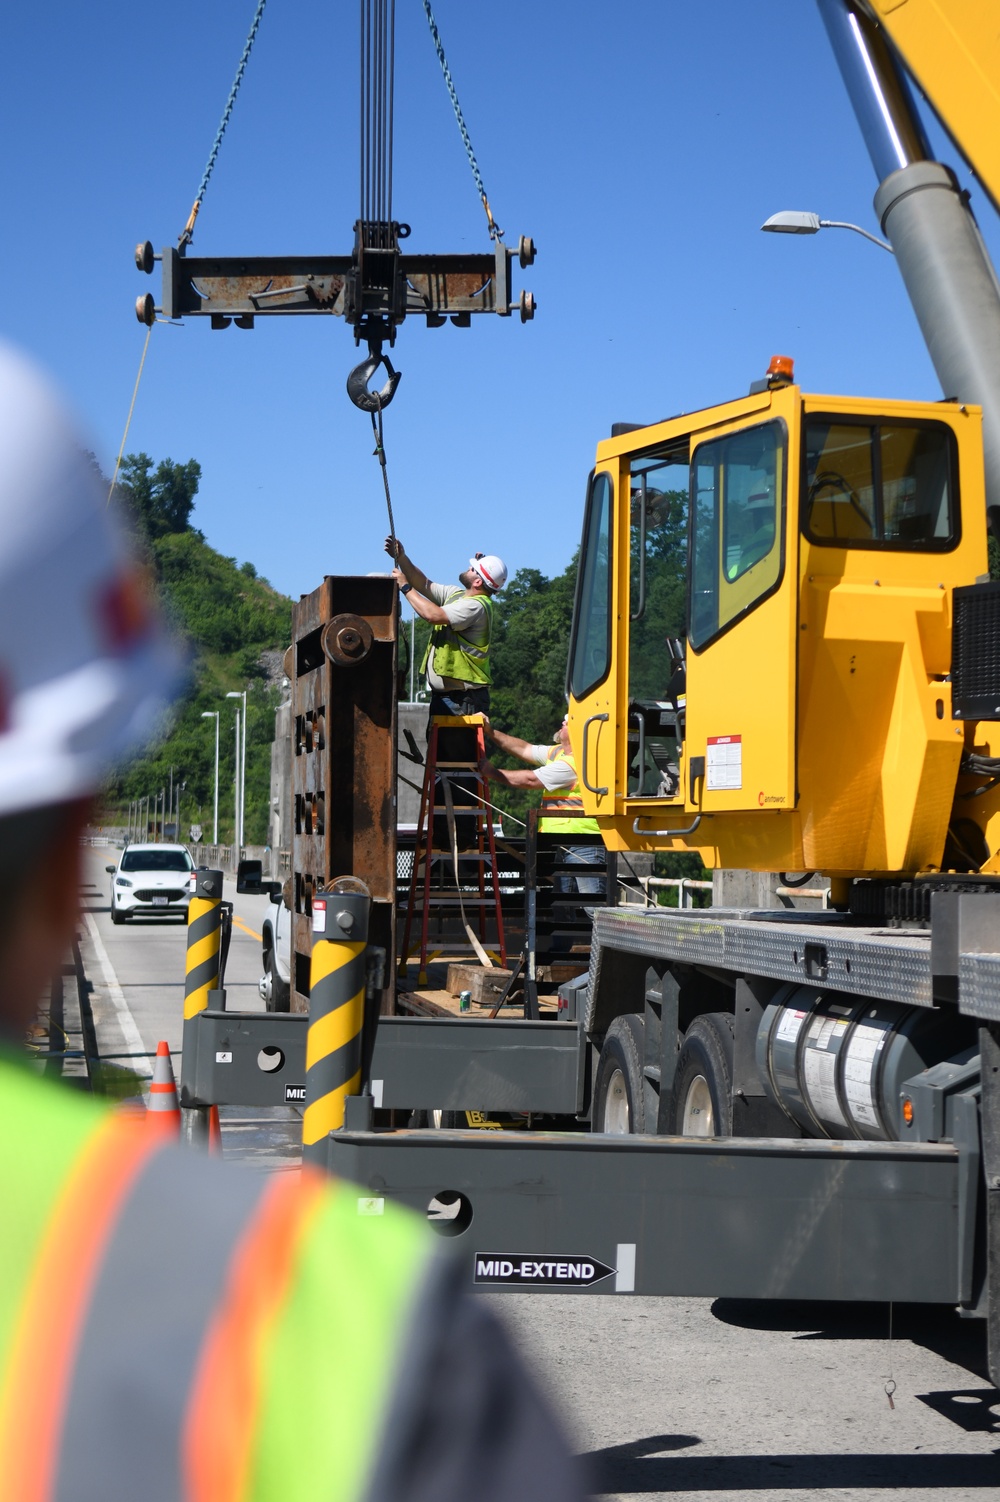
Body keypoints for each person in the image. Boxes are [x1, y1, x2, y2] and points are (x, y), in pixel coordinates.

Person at [0, 342, 583, 1501]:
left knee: (462, 810)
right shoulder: (335, 1322)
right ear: (78, 834)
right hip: (461, 732)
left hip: (462, 729)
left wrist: (405, 567)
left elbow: (426, 602)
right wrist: (406, 555)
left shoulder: (467, 601)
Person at [385, 536, 507, 718]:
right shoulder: (457, 596)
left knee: (456, 747)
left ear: (478, 582)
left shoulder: (476, 606)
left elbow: (433, 615)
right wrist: (402, 557)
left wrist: (405, 588)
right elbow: (424, 584)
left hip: (463, 700)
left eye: (473, 569)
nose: (468, 567)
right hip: (450, 698)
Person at [479, 716, 605, 892]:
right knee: (563, 906)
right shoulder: (558, 753)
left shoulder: (575, 763)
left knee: (592, 905)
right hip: (563, 843)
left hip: (583, 842)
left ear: (577, 732)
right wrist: (490, 732)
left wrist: (492, 772)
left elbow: (531, 780)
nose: (562, 723)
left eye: (567, 722)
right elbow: (524, 749)